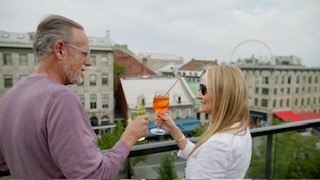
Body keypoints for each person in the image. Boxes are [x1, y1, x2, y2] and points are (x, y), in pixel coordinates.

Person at [0, 15, 148, 179]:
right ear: (60, 50)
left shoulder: (10, 96)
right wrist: (129, 137)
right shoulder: (60, 99)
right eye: (84, 53)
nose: (88, 62)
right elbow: (94, 176)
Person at [155, 64, 252, 179]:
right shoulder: (239, 128)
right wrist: (173, 130)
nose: (197, 96)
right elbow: (201, 158)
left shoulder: (219, 144)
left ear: (222, 95)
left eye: (203, 89)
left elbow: (211, 155)